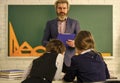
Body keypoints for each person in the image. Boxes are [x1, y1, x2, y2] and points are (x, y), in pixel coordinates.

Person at [42, 0, 80, 72]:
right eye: (59, 8)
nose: (62, 10)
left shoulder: (75, 23)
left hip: (69, 60)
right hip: (53, 59)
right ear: (56, 9)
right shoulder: (50, 23)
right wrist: (53, 45)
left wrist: (75, 43)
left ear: (67, 9)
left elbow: (80, 41)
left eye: (64, 8)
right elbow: (44, 42)